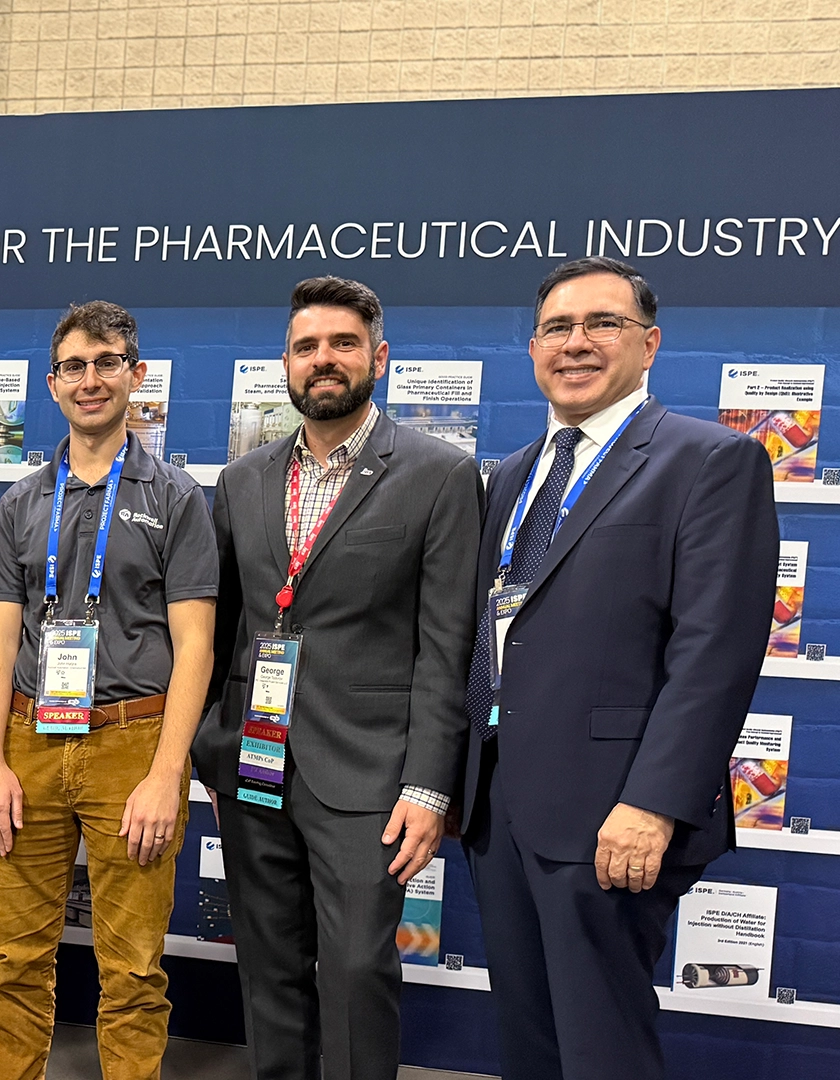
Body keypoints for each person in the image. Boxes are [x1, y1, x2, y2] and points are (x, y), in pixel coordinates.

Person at [458, 257, 776, 1080]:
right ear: (532, 349)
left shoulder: (709, 461)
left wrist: (652, 805)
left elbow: (715, 652)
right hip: (500, 807)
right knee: (529, 1039)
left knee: (603, 1047)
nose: (577, 343)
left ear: (650, 344)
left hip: (612, 815)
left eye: (604, 324)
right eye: (557, 328)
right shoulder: (513, 475)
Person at [194, 277, 481, 1080]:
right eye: (306, 346)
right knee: (270, 971)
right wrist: (214, 752)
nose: (323, 360)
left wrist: (428, 788)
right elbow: (224, 632)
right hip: (254, 766)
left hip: (369, 775)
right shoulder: (243, 479)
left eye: (342, 344)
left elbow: (448, 644)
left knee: (356, 971)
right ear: (285, 365)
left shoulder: (439, 474)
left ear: (379, 359)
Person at [0, 300, 217, 1080]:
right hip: (27, 741)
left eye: (108, 362)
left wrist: (165, 774)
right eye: (75, 366)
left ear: (136, 376)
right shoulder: (20, 501)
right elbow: (1, 639)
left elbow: (196, 646)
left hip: (133, 748)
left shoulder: (178, 497)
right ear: (52, 384)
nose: (91, 380)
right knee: (14, 961)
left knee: (135, 971)